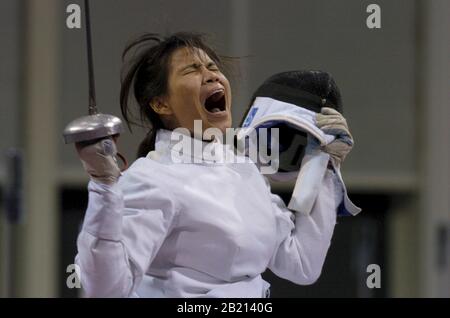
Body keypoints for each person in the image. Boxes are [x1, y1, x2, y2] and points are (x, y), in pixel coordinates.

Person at [74, 32, 355, 298]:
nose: (211, 76)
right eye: (192, 70)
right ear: (161, 104)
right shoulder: (152, 178)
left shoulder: (243, 171)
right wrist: (104, 187)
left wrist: (323, 165)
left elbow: (302, 264)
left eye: (212, 66)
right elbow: (106, 290)